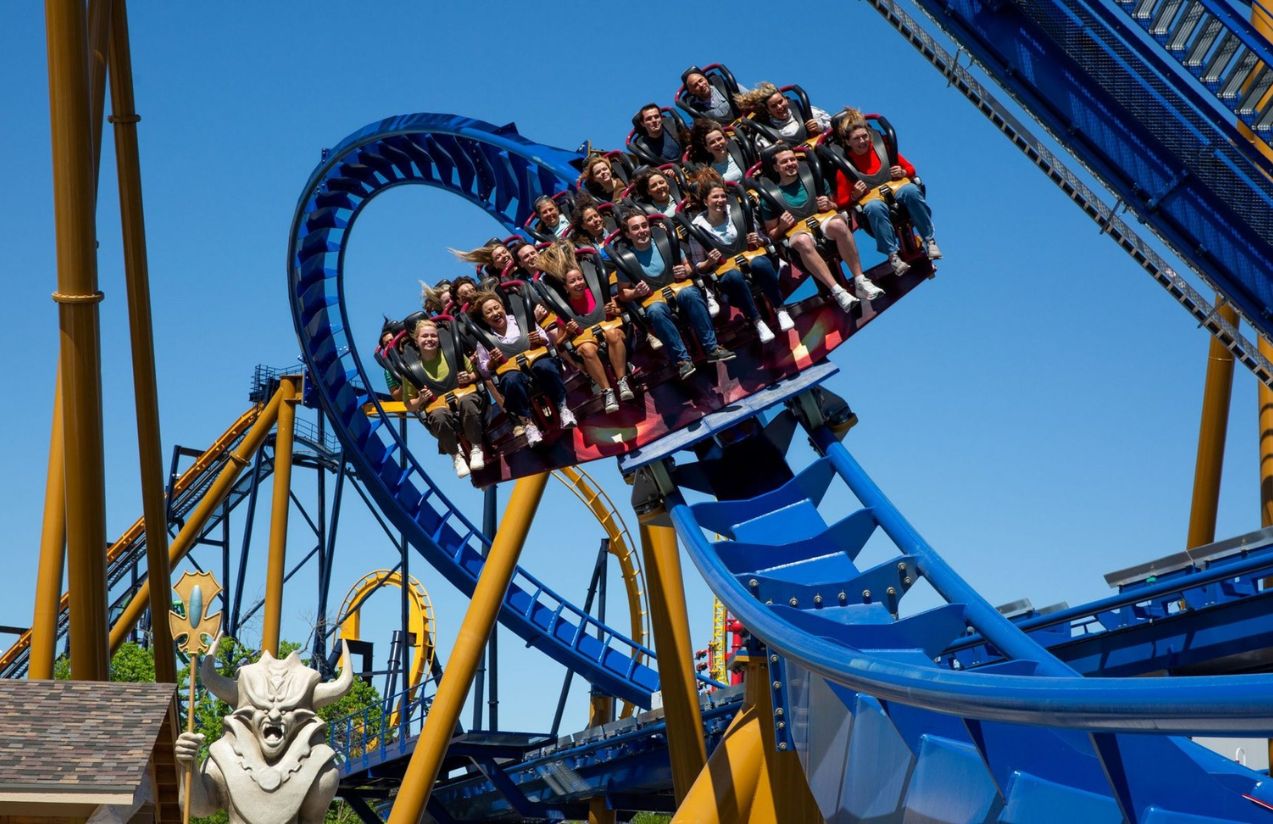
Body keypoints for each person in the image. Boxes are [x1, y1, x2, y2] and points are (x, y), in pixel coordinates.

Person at [756, 143, 885, 312]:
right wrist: (782, 226)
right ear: (776, 167)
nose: (790, 164)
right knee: (802, 240)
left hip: (822, 223)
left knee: (839, 223)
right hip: (798, 234)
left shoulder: (815, 180)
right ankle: (837, 291)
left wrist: (829, 204)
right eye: (784, 162)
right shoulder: (770, 198)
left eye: (792, 160)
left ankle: (860, 280)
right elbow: (772, 234)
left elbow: (835, 207)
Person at [610, 210, 735, 380]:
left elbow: (689, 266)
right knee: (655, 311)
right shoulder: (626, 260)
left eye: (644, 226)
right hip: (654, 300)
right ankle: (682, 361)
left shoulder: (665, 243)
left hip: (678, 291)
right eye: (636, 228)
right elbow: (622, 294)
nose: (642, 231)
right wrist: (635, 292)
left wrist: (686, 270)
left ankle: (712, 348)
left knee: (691, 293)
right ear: (628, 234)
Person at [831, 109, 940, 275]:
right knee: (874, 207)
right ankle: (893, 255)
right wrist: (855, 196)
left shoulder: (883, 148)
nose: (862, 141)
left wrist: (902, 173)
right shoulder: (844, 167)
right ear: (847, 142)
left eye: (865, 136)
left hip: (896, 190)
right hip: (873, 201)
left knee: (911, 190)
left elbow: (910, 169)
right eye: (857, 139)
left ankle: (929, 239)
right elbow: (841, 202)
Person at [685, 179, 793, 343]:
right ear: (706, 201)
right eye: (715, 197)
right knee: (734, 276)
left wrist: (759, 240)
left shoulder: (738, 212)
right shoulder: (697, 228)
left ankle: (780, 309)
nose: (720, 200)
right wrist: (709, 262)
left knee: (760, 263)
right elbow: (698, 266)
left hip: (752, 261)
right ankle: (757, 321)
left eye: (723, 196)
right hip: (727, 275)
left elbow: (765, 239)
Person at [469, 288, 575, 446]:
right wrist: (491, 361)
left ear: (503, 308)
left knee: (546, 367)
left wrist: (539, 339)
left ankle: (562, 407)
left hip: (535, 362)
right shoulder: (484, 339)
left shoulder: (522, 321)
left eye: (497, 308)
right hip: (511, 372)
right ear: (485, 319)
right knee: (511, 381)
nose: (495, 313)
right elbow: (484, 370)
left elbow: (546, 339)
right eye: (489, 312)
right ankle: (528, 424)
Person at [537, 242, 634, 413]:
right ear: (566, 288)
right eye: (573, 281)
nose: (578, 283)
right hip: (588, 342)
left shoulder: (598, 294)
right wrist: (567, 331)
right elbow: (559, 343)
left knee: (612, 334)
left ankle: (622, 381)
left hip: (613, 333)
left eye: (580, 278)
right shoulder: (565, 309)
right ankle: (607, 391)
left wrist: (615, 310)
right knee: (587, 349)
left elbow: (621, 312)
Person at [400, 317, 485, 479]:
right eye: (424, 336)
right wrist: (420, 400)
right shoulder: (411, 370)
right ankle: (456, 457)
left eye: (433, 336)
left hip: (466, 400)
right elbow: (409, 405)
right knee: (438, 416)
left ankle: (476, 448)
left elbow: (476, 372)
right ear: (416, 341)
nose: (429, 339)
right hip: (440, 410)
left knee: (468, 402)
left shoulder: (453, 353)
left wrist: (469, 377)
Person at [735, 83, 829, 148]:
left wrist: (820, 126)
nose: (779, 107)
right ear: (768, 110)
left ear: (786, 99)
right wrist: (776, 150)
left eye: (780, 102)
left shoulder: (805, 111)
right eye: (774, 106)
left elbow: (833, 124)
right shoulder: (764, 134)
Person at [687, 119, 752, 184]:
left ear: (726, 140)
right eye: (712, 142)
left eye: (719, 139)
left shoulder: (742, 153)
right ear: (707, 148)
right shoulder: (709, 171)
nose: (718, 143)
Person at [451, 239, 515, 282]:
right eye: (498, 257)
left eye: (504, 252)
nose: (503, 256)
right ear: (494, 265)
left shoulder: (524, 263)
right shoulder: (500, 285)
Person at [376, 318, 404, 401]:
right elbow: (396, 396)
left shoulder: (411, 349)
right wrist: (406, 383)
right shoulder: (389, 370)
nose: (390, 344)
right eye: (386, 343)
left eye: (391, 340)